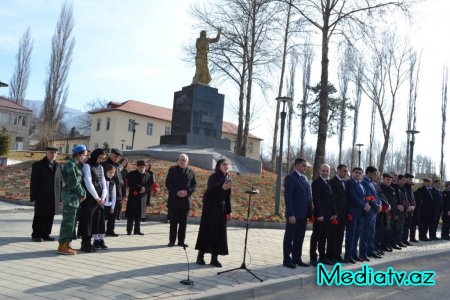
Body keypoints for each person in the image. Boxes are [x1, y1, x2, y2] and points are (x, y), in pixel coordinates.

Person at [195, 159, 232, 268]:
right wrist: (222, 188)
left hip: (221, 209)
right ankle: (200, 256)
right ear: (219, 166)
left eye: (227, 164)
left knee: (218, 233)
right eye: (223, 164)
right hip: (210, 209)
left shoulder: (228, 178)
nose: (226, 166)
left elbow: (227, 197)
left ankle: (214, 258)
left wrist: (229, 211)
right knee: (207, 231)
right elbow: (210, 193)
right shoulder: (213, 177)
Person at [57, 145, 87, 255]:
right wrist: (83, 193)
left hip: (74, 198)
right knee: (68, 223)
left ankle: (67, 244)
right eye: (84, 155)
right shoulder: (71, 165)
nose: (85, 157)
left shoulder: (75, 165)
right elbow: (74, 183)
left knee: (72, 222)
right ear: (78, 154)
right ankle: (62, 246)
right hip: (70, 197)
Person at [282, 158, 311, 269]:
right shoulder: (291, 178)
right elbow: (288, 197)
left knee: (300, 237)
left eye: (306, 166)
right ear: (296, 165)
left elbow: (308, 196)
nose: (305, 168)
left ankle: (297, 258)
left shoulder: (305, 178)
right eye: (303, 165)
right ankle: (287, 259)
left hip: (303, 214)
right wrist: (290, 214)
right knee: (290, 237)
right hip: (294, 214)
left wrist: (309, 212)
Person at [30, 146, 63, 242]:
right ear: (46, 152)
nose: (54, 154)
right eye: (51, 152)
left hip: (54, 196)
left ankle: (46, 234)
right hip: (42, 195)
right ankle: (36, 235)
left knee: (50, 215)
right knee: (40, 215)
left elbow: (60, 183)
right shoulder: (38, 165)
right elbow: (34, 182)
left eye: (55, 153)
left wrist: (60, 197)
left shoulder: (58, 166)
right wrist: (34, 197)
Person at [165, 154, 197, 247]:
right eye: (181, 160)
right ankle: (172, 241)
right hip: (174, 200)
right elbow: (168, 183)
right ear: (178, 160)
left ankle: (181, 241)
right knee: (173, 222)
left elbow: (194, 185)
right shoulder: (172, 170)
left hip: (185, 201)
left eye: (184, 160)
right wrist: (176, 192)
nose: (182, 161)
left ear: (187, 162)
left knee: (183, 223)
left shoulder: (191, 172)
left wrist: (187, 192)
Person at [79, 148, 107, 253]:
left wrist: (103, 197)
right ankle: (85, 244)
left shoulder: (100, 167)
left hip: (99, 199)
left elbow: (104, 181)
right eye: (99, 158)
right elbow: (88, 182)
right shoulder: (87, 166)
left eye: (102, 158)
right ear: (95, 156)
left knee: (95, 221)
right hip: (90, 199)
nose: (101, 160)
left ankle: (90, 242)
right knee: (88, 221)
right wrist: (96, 197)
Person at [310, 164, 335, 267]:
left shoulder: (329, 183)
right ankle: (313, 258)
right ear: (320, 171)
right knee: (316, 236)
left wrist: (333, 213)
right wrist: (319, 214)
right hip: (320, 215)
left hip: (328, 215)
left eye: (327, 171)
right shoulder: (316, 183)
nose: (325, 172)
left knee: (324, 237)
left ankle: (322, 257)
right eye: (323, 170)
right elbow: (316, 200)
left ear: (329, 172)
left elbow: (332, 199)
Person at [344, 167, 368, 264]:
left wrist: (366, 204)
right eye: (356, 172)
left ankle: (354, 254)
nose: (357, 174)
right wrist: (363, 205)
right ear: (352, 173)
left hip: (360, 213)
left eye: (359, 173)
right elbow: (352, 196)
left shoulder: (361, 184)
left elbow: (363, 197)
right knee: (351, 235)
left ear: (362, 174)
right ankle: (347, 256)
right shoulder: (350, 182)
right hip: (353, 213)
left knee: (357, 235)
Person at [360, 166, 382, 261]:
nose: (376, 175)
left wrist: (380, 204)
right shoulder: (364, 182)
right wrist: (376, 206)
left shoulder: (372, 183)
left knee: (372, 232)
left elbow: (376, 196)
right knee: (365, 233)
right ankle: (363, 253)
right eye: (374, 174)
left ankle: (371, 250)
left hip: (374, 211)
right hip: (369, 211)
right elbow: (369, 196)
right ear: (368, 173)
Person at [328, 164, 348, 263]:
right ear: (338, 171)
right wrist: (333, 212)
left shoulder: (344, 183)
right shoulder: (332, 182)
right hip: (335, 214)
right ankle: (330, 255)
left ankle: (338, 254)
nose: (346, 173)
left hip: (343, 214)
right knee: (333, 236)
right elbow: (332, 199)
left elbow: (346, 199)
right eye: (344, 171)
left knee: (340, 235)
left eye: (346, 171)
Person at [102, 148, 124, 236]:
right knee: (104, 214)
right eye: (115, 156)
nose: (116, 158)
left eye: (118, 157)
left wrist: (123, 194)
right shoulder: (104, 164)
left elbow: (121, 180)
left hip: (117, 192)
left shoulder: (118, 166)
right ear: (111, 155)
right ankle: (101, 230)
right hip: (107, 192)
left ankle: (110, 230)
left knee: (113, 213)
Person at [125, 160, 151, 235]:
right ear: (137, 167)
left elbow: (149, 185)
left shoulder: (148, 175)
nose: (142, 168)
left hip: (142, 197)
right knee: (131, 215)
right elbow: (130, 183)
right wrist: (140, 188)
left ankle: (137, 230)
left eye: (143, 167)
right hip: (133, 197)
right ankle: (129, 230)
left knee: (139, 215)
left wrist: (145, 189)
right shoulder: (131, 174)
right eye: (140, 167)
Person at [102, 164, 117, 248]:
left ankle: (102, 236)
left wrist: (112, 207)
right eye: (110, 172)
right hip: (102, 205)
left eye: (113, 173)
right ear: (106, 172)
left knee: (106, 221)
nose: (111, 174)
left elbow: (114, 195)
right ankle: (98, 236)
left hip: (109, 205)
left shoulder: (112, 182)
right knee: (101, 221)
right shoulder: (102, 181)